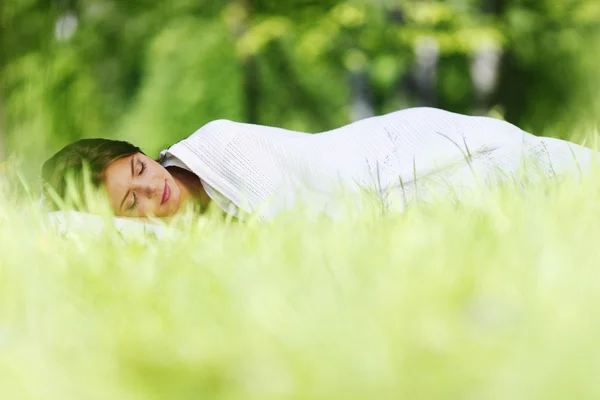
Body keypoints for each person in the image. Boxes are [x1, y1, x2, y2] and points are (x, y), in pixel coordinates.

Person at [41, 107, 596, 221]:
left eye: (138, 170)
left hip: (383, 150)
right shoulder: (180, 236)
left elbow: (302, 198)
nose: (150, 189)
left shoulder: (217, 143)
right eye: (129, 200)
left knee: (516, 162)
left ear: (140, 153)